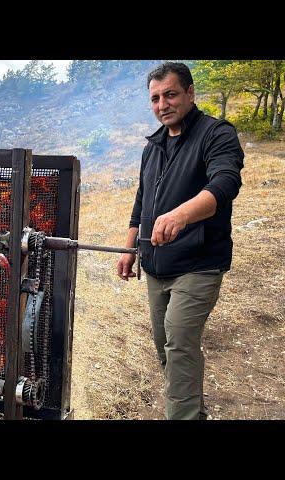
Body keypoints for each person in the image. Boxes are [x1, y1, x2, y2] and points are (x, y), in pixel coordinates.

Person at [116, 62, 244, 420]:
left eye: (170, 94)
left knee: (179, 342)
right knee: (166, 347)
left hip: (199, 263)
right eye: (155, 98)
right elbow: (142, 201)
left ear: (190, 93)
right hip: (157, 265)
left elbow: (225, 183)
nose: (162, 104)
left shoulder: (216, 134)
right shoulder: (153, 146)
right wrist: (130, 248)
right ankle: (193, 410)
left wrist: (180, 216)